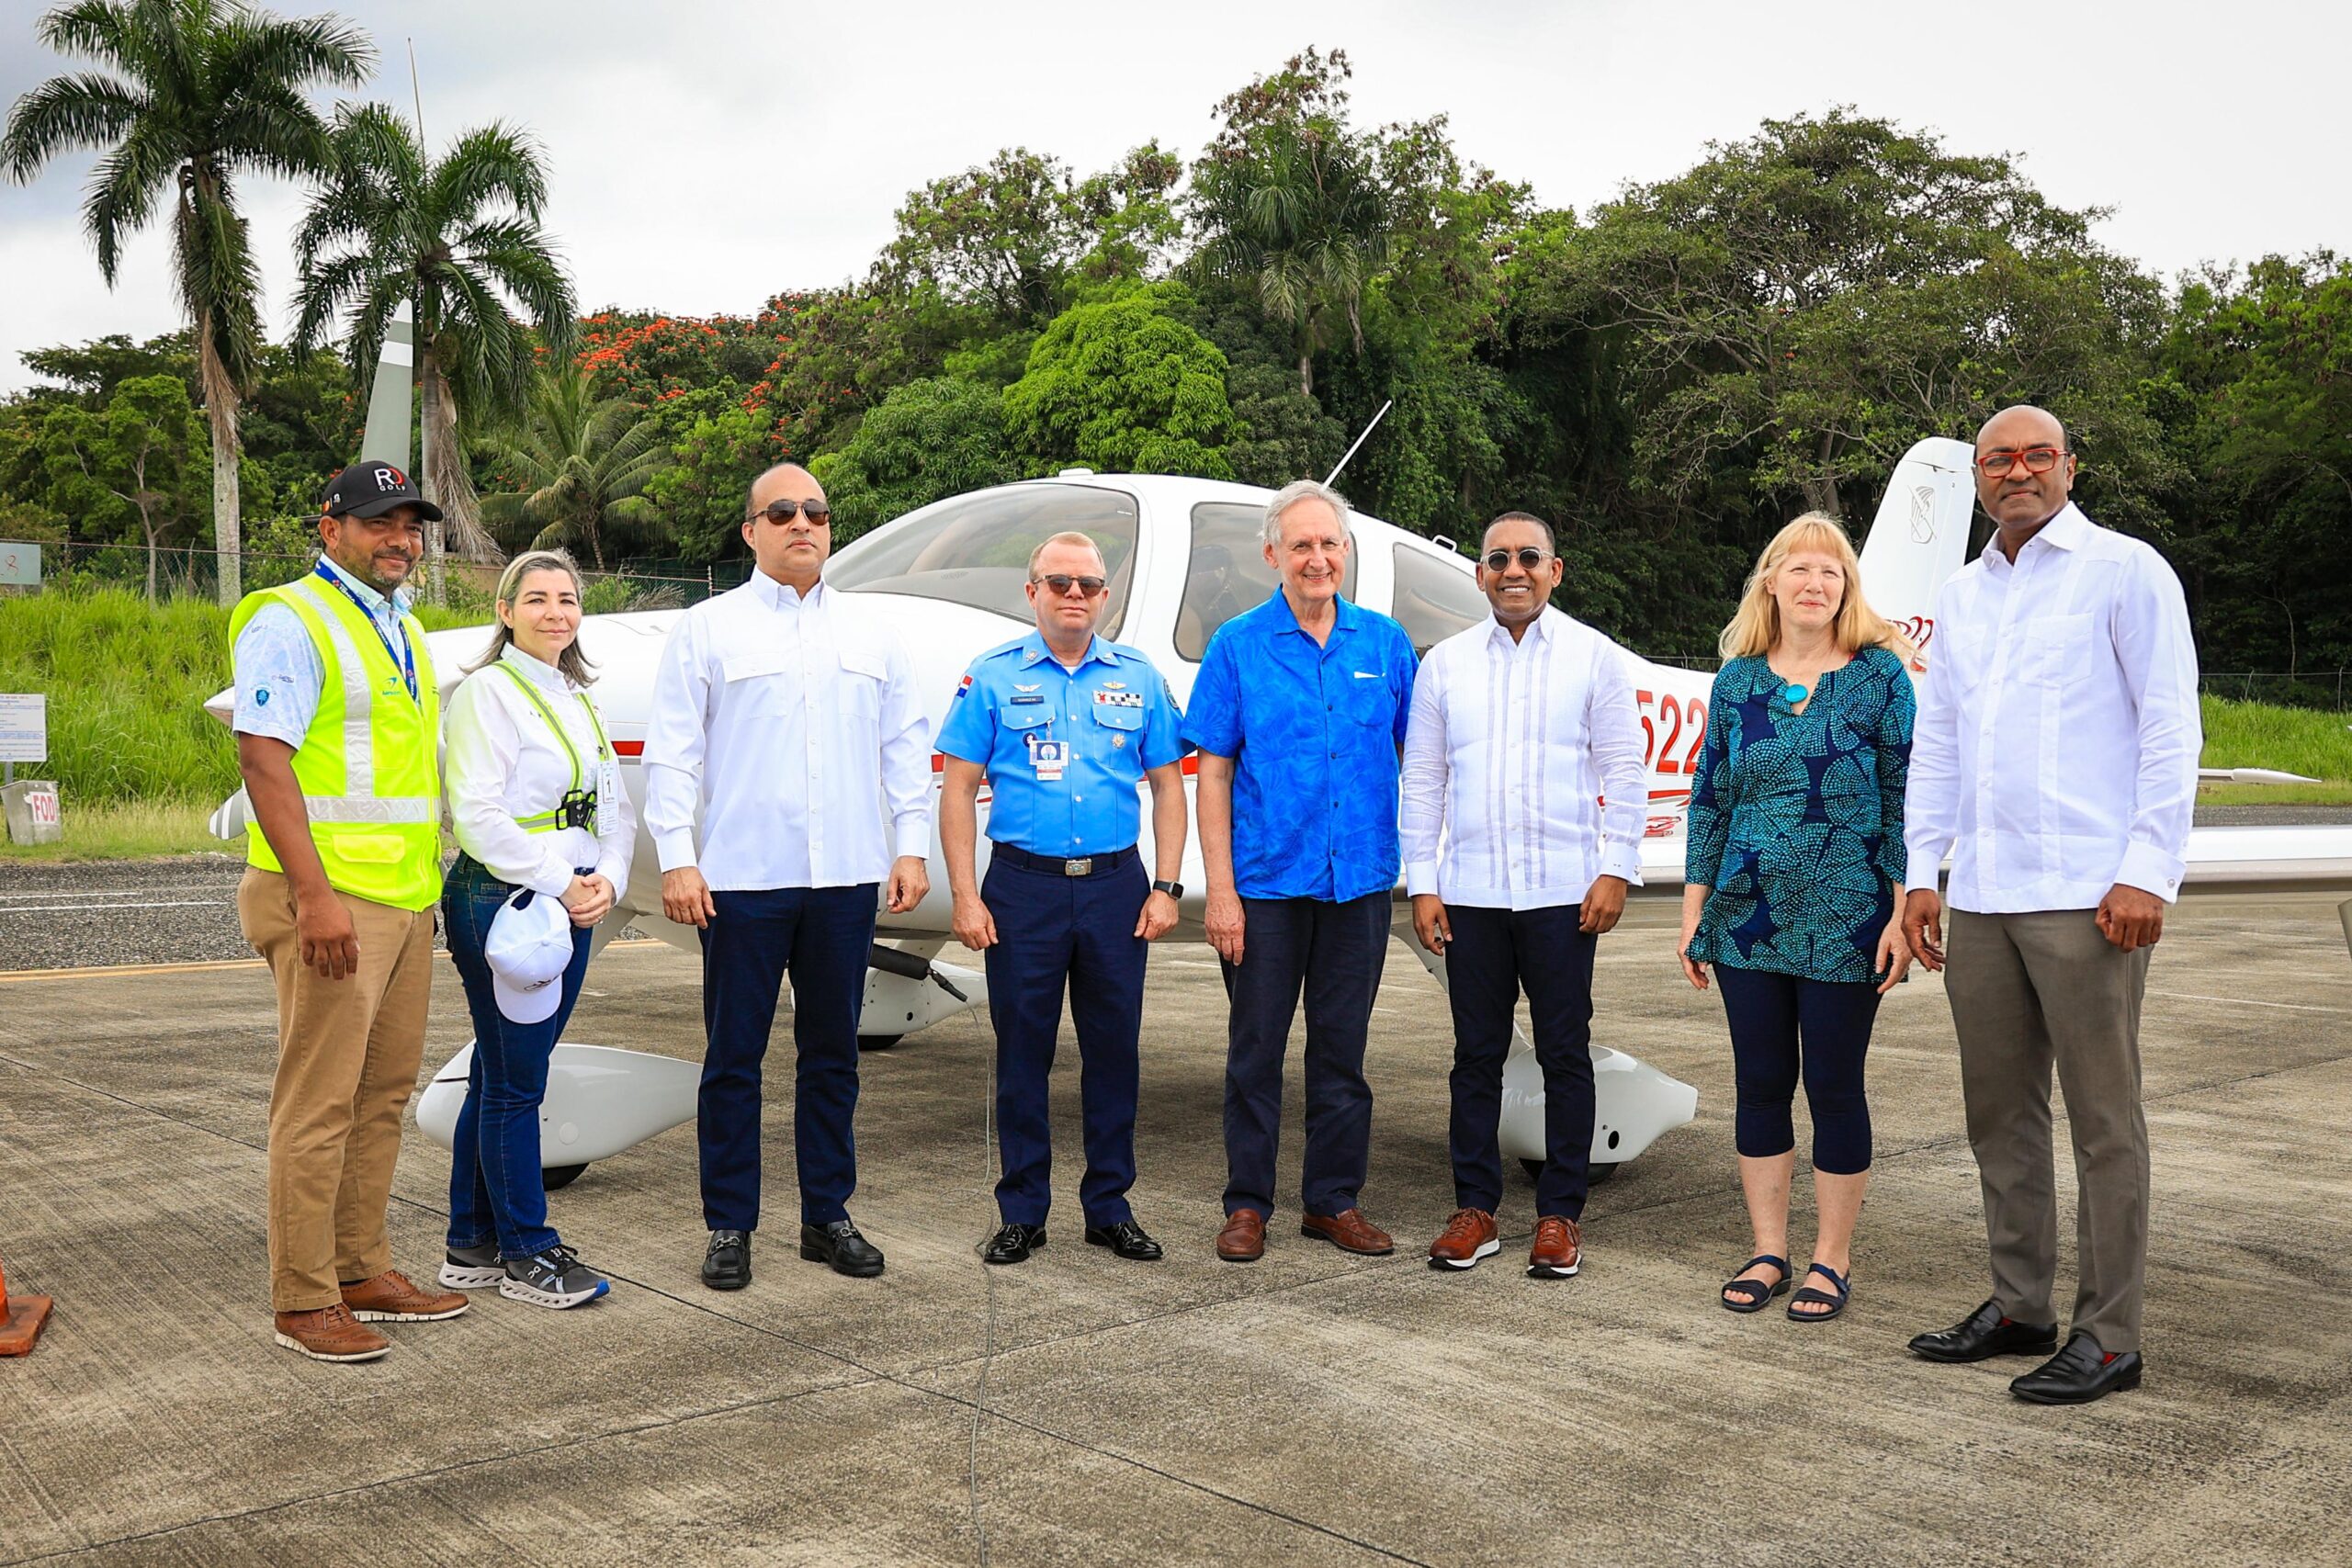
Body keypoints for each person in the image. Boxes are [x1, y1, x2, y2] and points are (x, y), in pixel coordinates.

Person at [1902, 405, 2199, 1404]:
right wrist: (1919, 873)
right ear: (1980, 477)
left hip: (2089, 895)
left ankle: (2110, 1334)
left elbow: (2169, 726)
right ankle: (2020, 1303)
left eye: (2036, 455)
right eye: (1998, 459)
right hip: (1982, 894)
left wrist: (2148, 869)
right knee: (1998, 1116)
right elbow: (1937, 746)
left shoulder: (2125, 570)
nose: (2016, 471)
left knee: (2103, 1120)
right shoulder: (1962, 593)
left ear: (2072, 467)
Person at [641, 463, 933, 1291]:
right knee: (733, 1056)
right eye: (782, 511)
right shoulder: (707, 628)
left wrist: (909, 848)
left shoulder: (873, 634)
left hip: (844, 876)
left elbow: (903, 750)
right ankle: (729, 1223)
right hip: (742, 877)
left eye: (816, 511)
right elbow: (674, 753)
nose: (802, 522)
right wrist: (677, 856)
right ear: (751, 530)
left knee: (833, 1054)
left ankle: (826, 1216)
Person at [230, 459, 469, 1361]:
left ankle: (361, 1265)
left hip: (402, 899)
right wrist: (313, 893)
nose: (398, 539)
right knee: (319, 1101)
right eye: (378, 524)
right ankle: (302, 1299)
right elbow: (265, 759)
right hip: (329, 900)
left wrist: (422, 894)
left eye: (410, 526)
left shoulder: (399, 625)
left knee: (381, 1097)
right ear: (330, 530)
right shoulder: (291, 620)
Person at [1681, 513, 1917, 1324]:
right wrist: (1694, 912)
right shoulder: (1737, 679)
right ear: (1771, 582)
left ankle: (1832, 1258)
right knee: (1759, 1084)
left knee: (1834, 1086)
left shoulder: (1881, 676)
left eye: (1831, 572)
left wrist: (1900, 911)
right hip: (1749, 914)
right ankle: (1769, 1248)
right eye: (1799, 569)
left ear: (1846, 589)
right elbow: (1710, 798)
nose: (1815, 583)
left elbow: (1904, 798)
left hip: (1848, 915)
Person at [1401, 512, 1647, 1280]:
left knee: (1564, 1053)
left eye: (1529, 557)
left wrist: (1616, 868)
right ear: (1479, 574)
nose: (1514, 569)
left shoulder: (1594, 658)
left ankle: (1560, 1216)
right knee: (1475, 1056)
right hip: (1470, 891)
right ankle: (1475, 1210)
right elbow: (1424, 779)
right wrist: (1424, 881)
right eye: (1498, 558)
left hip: (1562, 892)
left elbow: (1624, 769)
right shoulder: (1444, 665)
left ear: (1555, 570)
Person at [938, 531, 1189, 1266]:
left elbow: (1170, 787)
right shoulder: (990, 677)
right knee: (1023, 1054)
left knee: (1114, 1055)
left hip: (1116, 888)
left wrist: (1168, 885)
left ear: (1105, 596)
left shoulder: (1139, 678)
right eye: (1058, 583)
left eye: (1087, 584)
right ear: (1033, 593)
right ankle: (1023, 1211)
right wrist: (965, 894)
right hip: (1022, 890)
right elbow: (957, 790)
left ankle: (1109, 1207)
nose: (1074, 595)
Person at [1183, 479, 1419, 1263]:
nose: (1317, 558)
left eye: (1330, 544)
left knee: (1342, 1053)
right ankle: (1248, 1204)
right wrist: (1219, 889)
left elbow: (1419, 763)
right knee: (1255, 1052)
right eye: (1301, 545)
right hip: (1263, 888)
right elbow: (1211, 773)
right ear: (1272, 555)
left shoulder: (1385, 646)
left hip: (1358, 886)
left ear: (1345, 552)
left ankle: (1333, 1201)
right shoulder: (1236, 646)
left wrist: (1425, 874)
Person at [436, 549, 635, 1309]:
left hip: (571, 904)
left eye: (568, 598)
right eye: (539, 598)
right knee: (519, 1084)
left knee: (497, 1075)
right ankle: (527, 1247)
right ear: (506, 610)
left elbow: (612, 807)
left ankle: (472, 1241)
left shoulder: (579, 697)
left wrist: (608, 881)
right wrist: (563, 881)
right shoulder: (486, 693)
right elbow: (479, 816)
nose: (557, 611)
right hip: (507, 904)